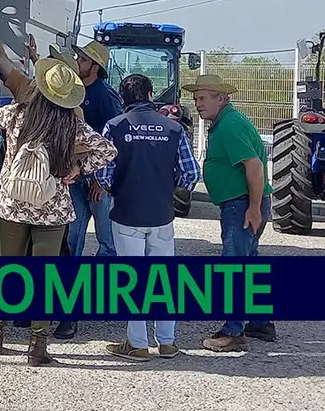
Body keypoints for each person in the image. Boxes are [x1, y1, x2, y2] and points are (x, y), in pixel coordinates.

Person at [0, 58, 117, 366]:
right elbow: (108, 149)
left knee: (7, 268)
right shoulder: (71, 124)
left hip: (12, 205)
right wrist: (78, 168)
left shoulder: (15, 114)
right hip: (52, 209)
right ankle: (37, 345)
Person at [95, 74, 200, 361]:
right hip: (162, 215)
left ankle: (137, 344)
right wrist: (167, 188)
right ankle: (167, 342)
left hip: (127, 213)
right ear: (151, 95)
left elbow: (103, 173)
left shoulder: (115, 127)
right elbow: (191, 173)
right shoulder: (173, 128)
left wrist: (115, 188)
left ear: (123, 98)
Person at [185, 73, 276, 352]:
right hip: (241, 203)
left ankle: (233, 331)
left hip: (241, 204)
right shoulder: (226, 122)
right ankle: (260, 322)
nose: (197, 103)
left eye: (203, 98)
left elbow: (255, 167)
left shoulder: (229, 126)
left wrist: (253, 207)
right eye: (195, 98)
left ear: (221, 98)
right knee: (249, 263)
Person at [53, 40, 123, 339]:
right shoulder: (77, 92)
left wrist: (100, 181)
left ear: (94, 67)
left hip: (96, 182)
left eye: (82, 59)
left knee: (108, 244)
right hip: (76, 178)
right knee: (73, 241)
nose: (77, 61)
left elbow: (112, 144)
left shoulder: (105, 97)